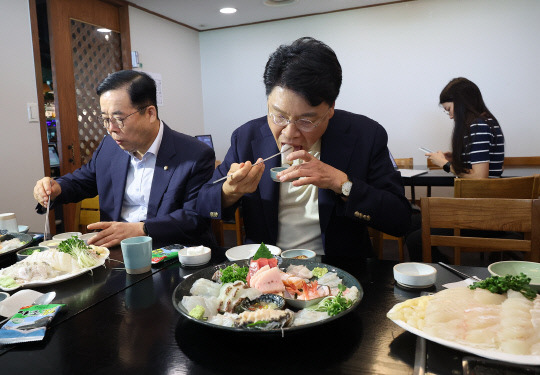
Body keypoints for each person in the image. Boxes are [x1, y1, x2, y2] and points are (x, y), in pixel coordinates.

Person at [197, 37, 411, 257]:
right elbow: (202, 203)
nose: (289, 133)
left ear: (330, 109)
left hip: (340, 269)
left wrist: (342, 184)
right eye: (278, 116)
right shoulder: (246, 137)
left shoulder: (365, 135)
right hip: (267, 270)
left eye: (306, 121)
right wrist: (230, 191)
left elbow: (400, 220)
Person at [33, 70, 215, 249]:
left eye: (119, 119)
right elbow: (83, 180)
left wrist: (142, 229)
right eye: (105, 119)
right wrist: (57, 188)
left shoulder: (194, 155)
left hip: (170, 254)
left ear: (150, 113)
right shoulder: (110, 148)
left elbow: (194, 217)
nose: (111, 129)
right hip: (115, 253)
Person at [406, 77, 505, 261]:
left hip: (483, 214)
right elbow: (481, 169)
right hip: (484, 208)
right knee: (410, 222)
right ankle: (444, 265)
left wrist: (445, 164)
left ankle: (442, 273)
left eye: (449, 110)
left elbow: (480, 179)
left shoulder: (478, 125)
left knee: (414, 239)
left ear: (461, 103)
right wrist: (460, 159)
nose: (451, 116)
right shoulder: (486, 122)